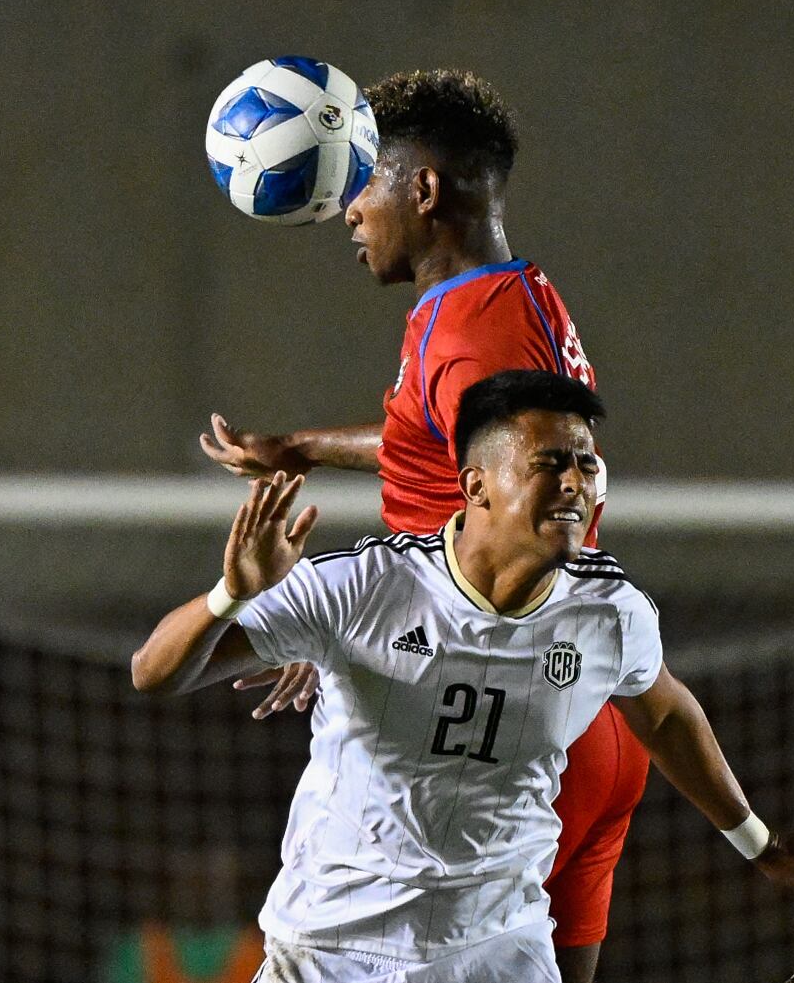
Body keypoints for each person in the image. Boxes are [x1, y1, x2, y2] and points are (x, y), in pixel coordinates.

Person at [147, 371, 794, 983]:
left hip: (493, 948)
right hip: (330, 945)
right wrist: (231, 595)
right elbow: (157, 672)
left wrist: (756, 840)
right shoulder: (364, 587)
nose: (575, 482)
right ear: (475, 486)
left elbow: (664, 711)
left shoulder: (608, 611)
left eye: (585, 462)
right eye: (550, 463)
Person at [200, 68, 639, 983]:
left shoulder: (475, 335)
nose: (348, 213)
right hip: (569, 709)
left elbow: (499, 524)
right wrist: (300, 445)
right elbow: (438, 447)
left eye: (362, 180)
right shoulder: (494, 304)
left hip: (501, 725)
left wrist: (351, 630)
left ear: (423, 189)